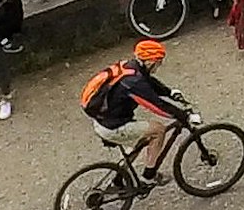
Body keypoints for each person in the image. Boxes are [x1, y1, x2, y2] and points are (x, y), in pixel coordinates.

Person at [80, 37, 192, 179]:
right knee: (158, 130)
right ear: (150, 61)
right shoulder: (133, 82)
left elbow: (149, 82)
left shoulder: (130, 67)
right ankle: (149, 175)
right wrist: (183, 115)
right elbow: (157, 106)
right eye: (158, 62)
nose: (159, 65)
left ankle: (119, 179)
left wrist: (169, 92)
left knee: (141, 139)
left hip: (103, 120)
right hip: (113, 127)